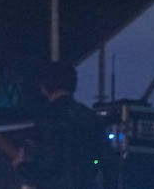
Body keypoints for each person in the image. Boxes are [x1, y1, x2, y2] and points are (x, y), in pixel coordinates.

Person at [17, 61, 102, 189]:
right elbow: (104, 160)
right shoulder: (90, 117)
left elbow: (48, 164)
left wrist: (22, 167)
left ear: (44, 86)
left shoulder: (47, 117)